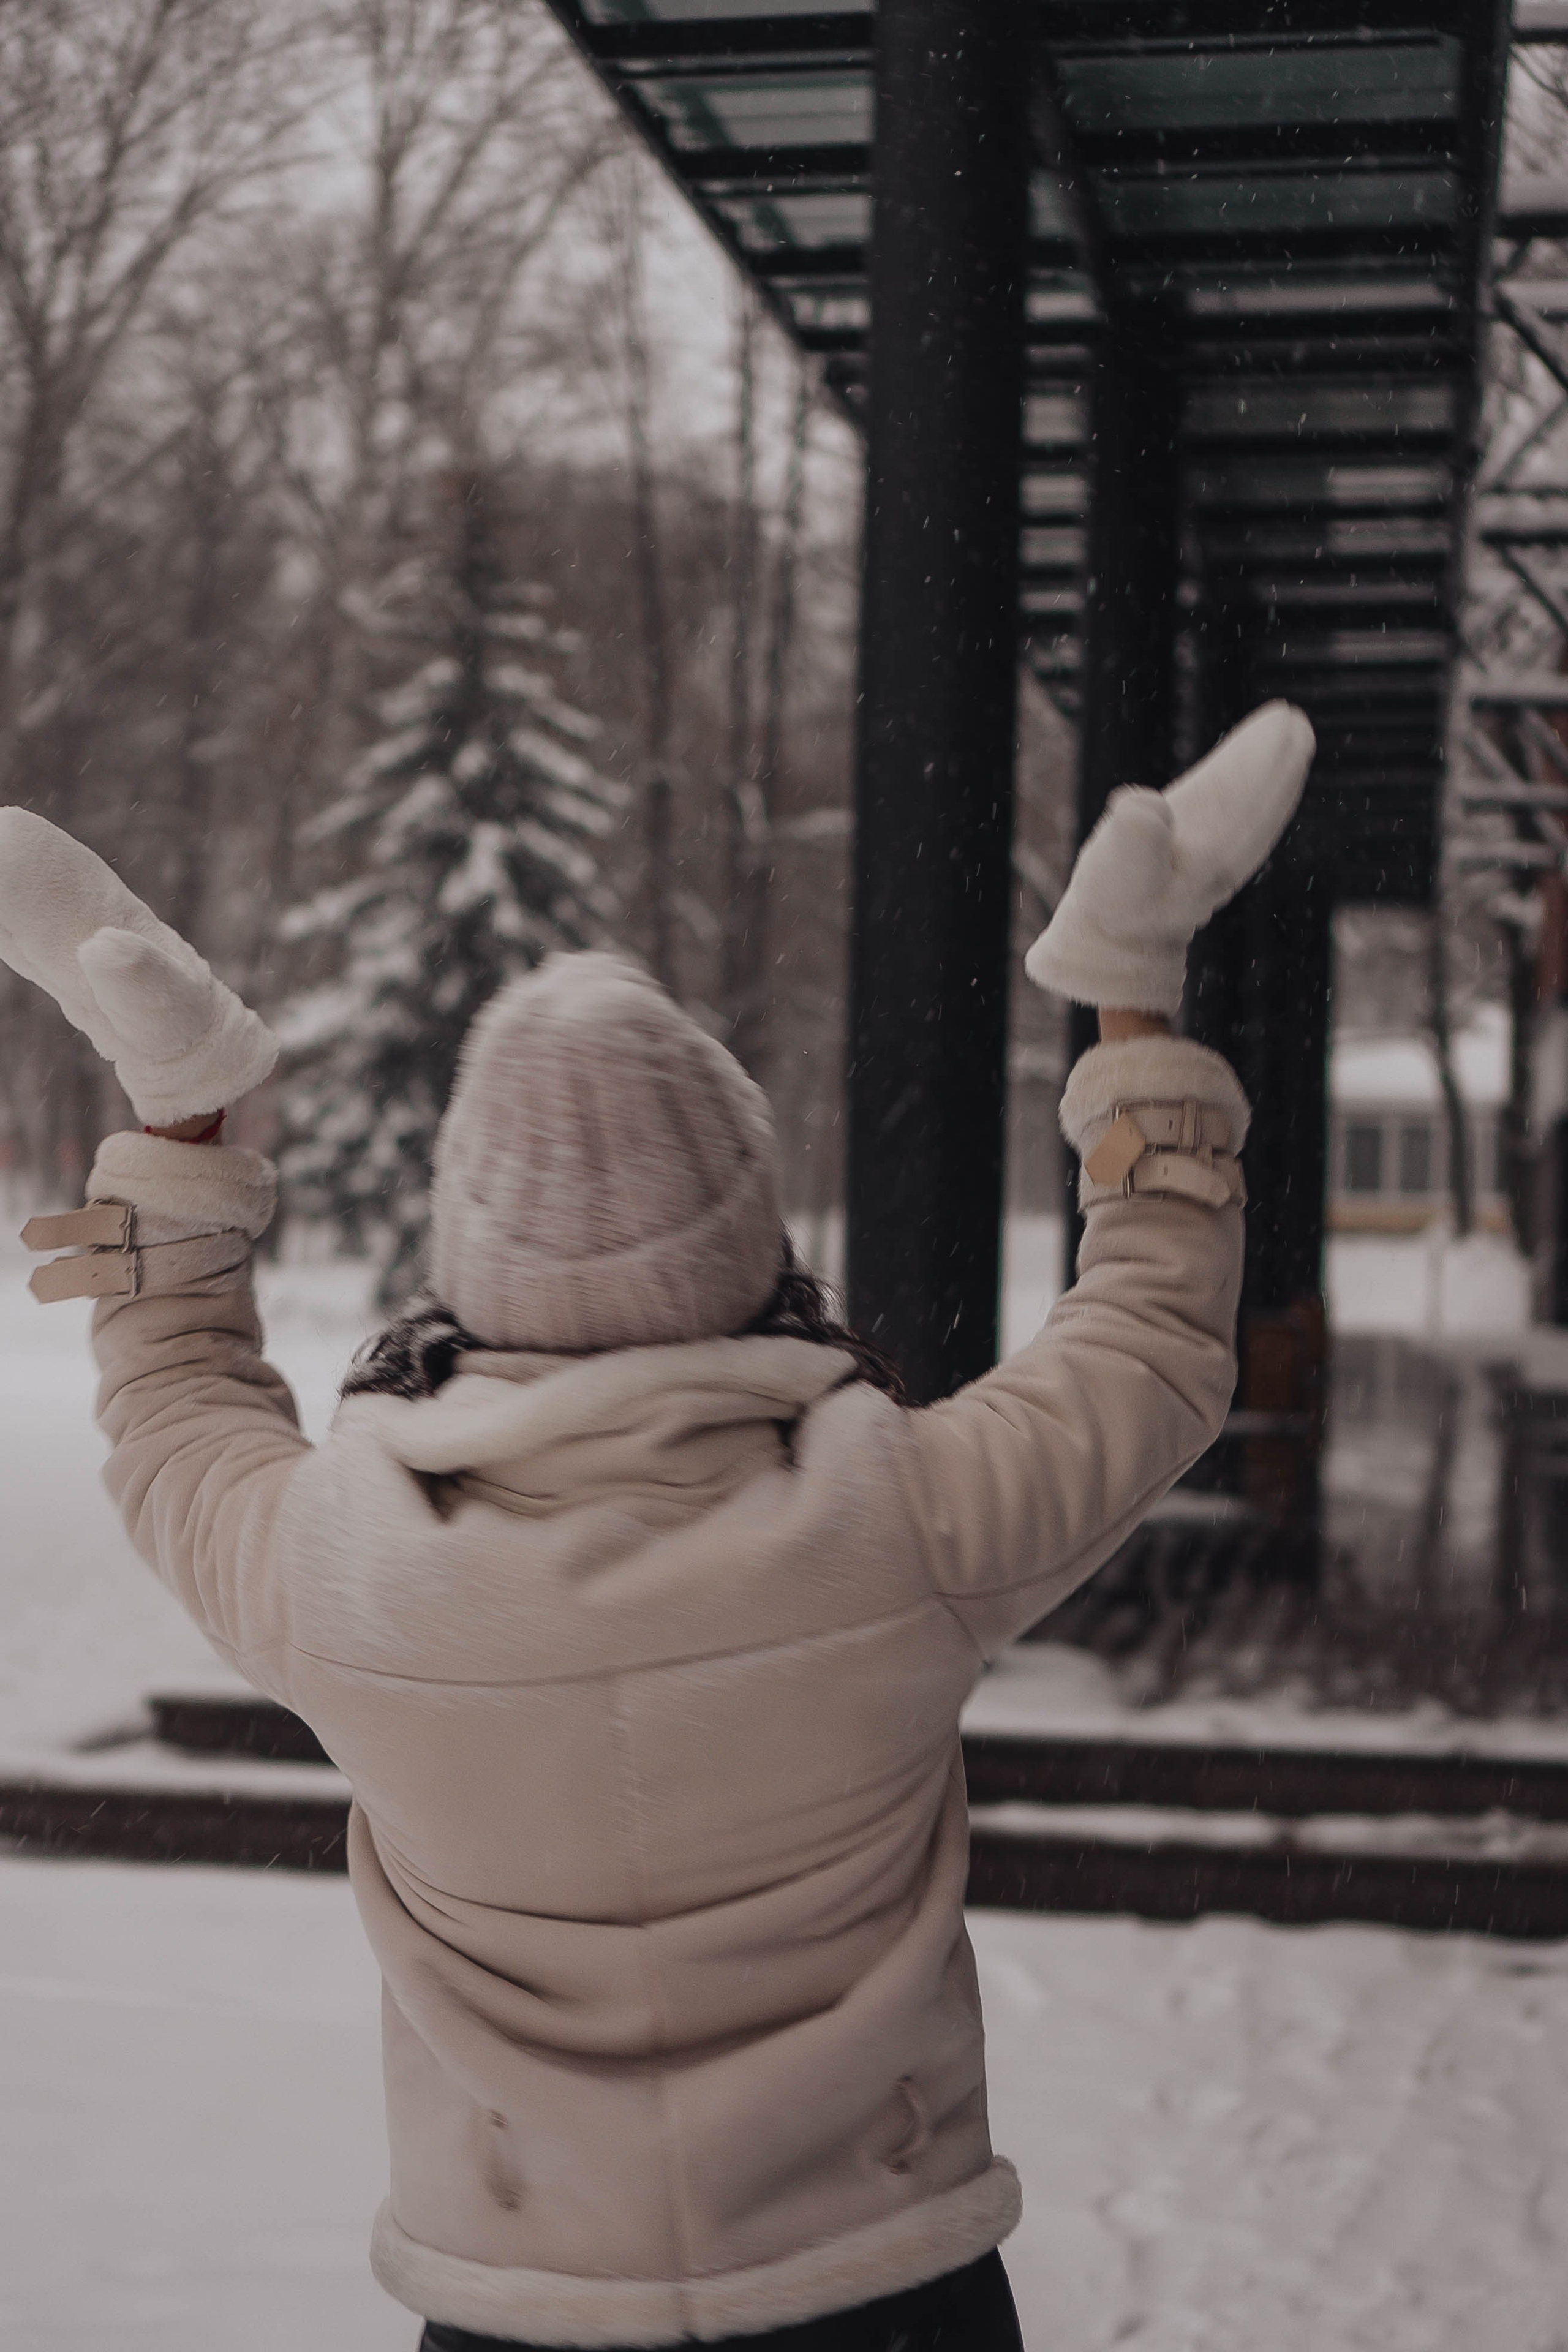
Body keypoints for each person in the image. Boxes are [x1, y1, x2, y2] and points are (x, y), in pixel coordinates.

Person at [0, 698, 1313, 2352]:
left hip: (520, 2311)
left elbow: (176, 1404)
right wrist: (1133, 993)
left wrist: (174, 1108)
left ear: (467, 1261)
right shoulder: (893, 1518)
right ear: (751, 1232)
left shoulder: (350, 1572)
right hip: (883, 2293)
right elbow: (1153, 1344)